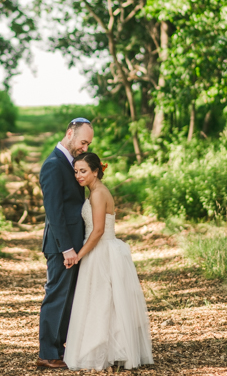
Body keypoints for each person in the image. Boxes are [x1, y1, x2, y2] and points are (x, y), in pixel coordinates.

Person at [63, 151, 153, 371]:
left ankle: (102, 353)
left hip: (101, 250)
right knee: (103, 301)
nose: (78, 176)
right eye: (76, 171)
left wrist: (79, 255)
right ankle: (109, 351)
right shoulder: (96, 191)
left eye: (83, 171)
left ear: (96, 171)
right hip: (102, 248)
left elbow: (98, 230)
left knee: (101, 301)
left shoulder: (97, 194)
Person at [36, 118, 94, 370]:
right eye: (83, 142)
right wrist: (67, 248)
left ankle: (58, 351)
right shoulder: (53, 165)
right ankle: (47, 354)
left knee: (67, 299)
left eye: (88, 144)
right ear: (70, 134)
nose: (85, 147)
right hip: (62, 246)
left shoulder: (70, 163)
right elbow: (54, 212)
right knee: (56, 297)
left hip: (73, 245)